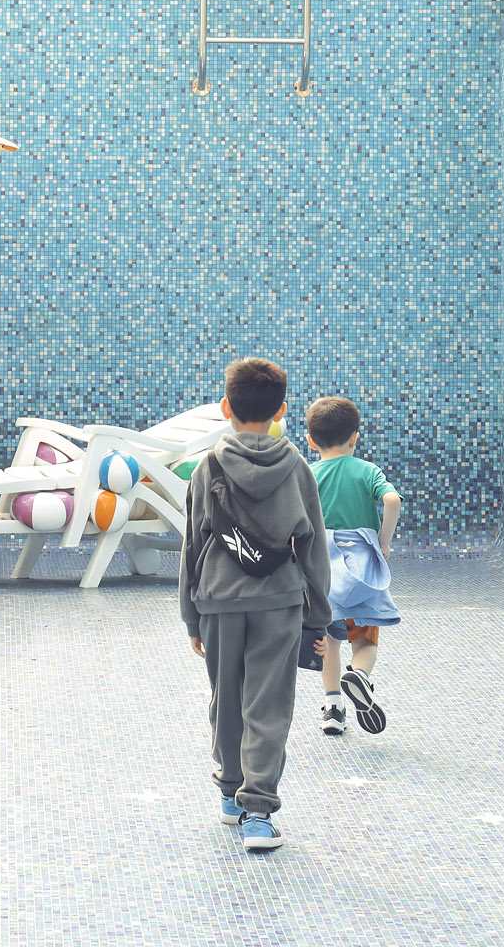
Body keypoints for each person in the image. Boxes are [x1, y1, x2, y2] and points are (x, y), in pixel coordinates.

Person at [180, 357, 331, 854]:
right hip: (279, 599)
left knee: (227, 698)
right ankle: (259, 813)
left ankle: (230, 793)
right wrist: (319, 615)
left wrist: (191, 615)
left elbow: (192, 544)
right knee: (267, 704)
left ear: (226, 407)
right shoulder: (299, 469)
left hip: (219, 599)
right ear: (282, 411)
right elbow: (313, 546)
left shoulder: (208, 467)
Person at [305, 396, 402, 736]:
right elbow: (391, 500)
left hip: (322, 568)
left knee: (328, 639)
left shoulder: (308, 474)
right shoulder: (367, 471)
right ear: (355, 437)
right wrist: (383, 541)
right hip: (360, 568)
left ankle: (333, 707)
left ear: (310, 440)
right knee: (364, 640)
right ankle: (358, 676)